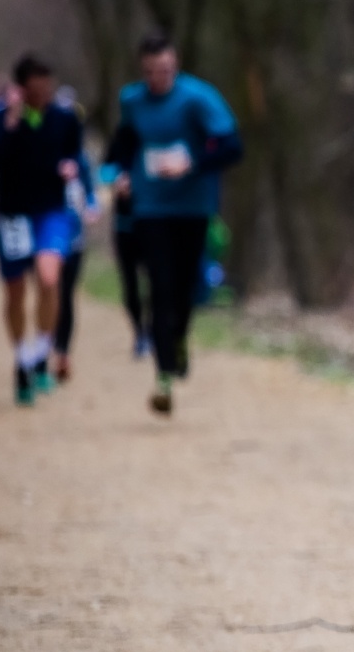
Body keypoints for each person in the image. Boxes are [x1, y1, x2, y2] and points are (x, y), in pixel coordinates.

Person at [111, 32, 242, 417]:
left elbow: (232, 146)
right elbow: (124, 144)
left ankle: (180, 338)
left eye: (166, 70)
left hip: (193, 207)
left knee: (185, 289)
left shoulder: (199, 98)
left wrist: (193, 163)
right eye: (151, 71)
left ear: (177, 64)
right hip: (150, 209)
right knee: (160, 286)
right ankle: (163, 374)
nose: (158, 78)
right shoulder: (132, 101)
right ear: (142, 70)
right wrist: (118, 174)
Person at [0, 54, 83, 406]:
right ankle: (22, 357)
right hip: (12, 215)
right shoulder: (0, 118)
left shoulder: (66, 119)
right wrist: (11, 120)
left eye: (47, 88)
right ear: (22, 90)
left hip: (51, 211)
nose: (43, 95)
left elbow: (75, 156)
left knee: (50, 276)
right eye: (36, 90)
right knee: (15, 292)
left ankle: (42, 350)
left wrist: (72, 170)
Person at [101, 123, 148, 357]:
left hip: (154, 222)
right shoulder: (121, 134)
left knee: (158, 281)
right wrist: (117, 180)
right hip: (125, 223)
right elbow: (104, 170)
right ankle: (139, 332)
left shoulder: (160, 132)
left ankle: (153, 329)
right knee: (130, 283)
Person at [52, 146, 99, 381]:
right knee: (52, 292)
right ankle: (48, 346)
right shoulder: (45, 149)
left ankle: (62, 352)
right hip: (49, 241)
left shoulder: (81, 158)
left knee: (67, 295)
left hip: (75, 241)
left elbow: (91, 193)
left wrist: (92, 209)